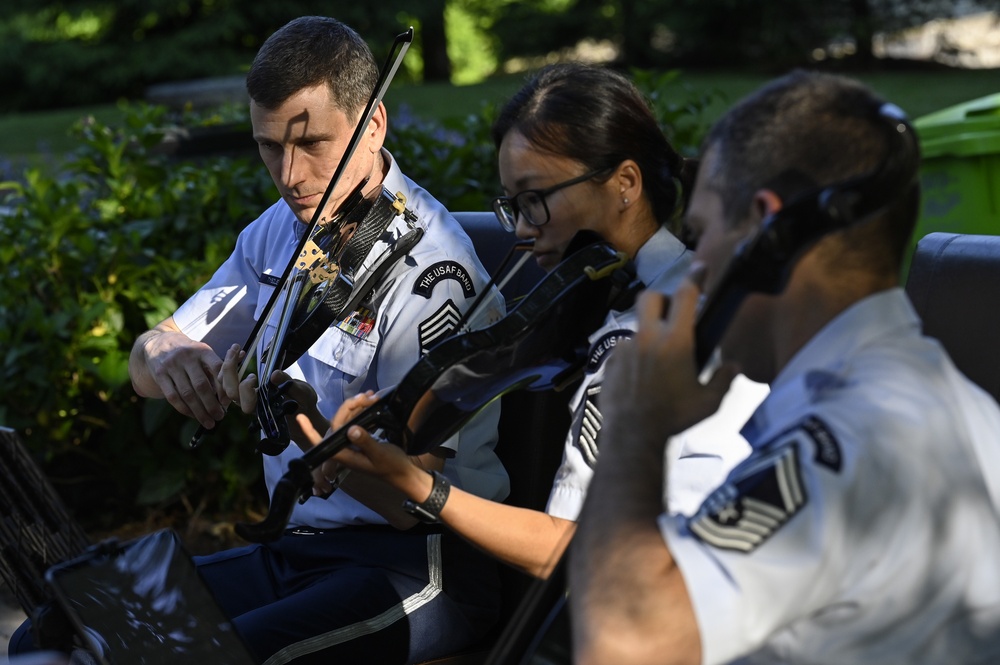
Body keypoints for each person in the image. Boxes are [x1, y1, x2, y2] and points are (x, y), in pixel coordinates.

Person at [9, 15, 509, 665]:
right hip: (297, 549)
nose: (291, 174)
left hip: (418, 564)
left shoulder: (437, 275)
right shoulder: (281, 230)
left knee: (218, 657)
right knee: (59, 627)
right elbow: (146, 360)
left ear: (374, 124)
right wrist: (169, 356)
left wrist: (302, 426)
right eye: (269, 146)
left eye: (312, 144)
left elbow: (410, 503)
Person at [568, 70, 1000, 665]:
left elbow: (622, 648)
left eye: (701, 232)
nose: (696, 267)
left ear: (765, 231)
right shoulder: (935, 405)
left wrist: (636, 430)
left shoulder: (848, 437)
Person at [297, 62, 768, 584]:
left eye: (535, 201)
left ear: (625, 183)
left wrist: (417, 483)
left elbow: (570, 552)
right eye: (513, 205)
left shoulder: (640, 339)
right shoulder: (697, 284)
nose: (522, 231)